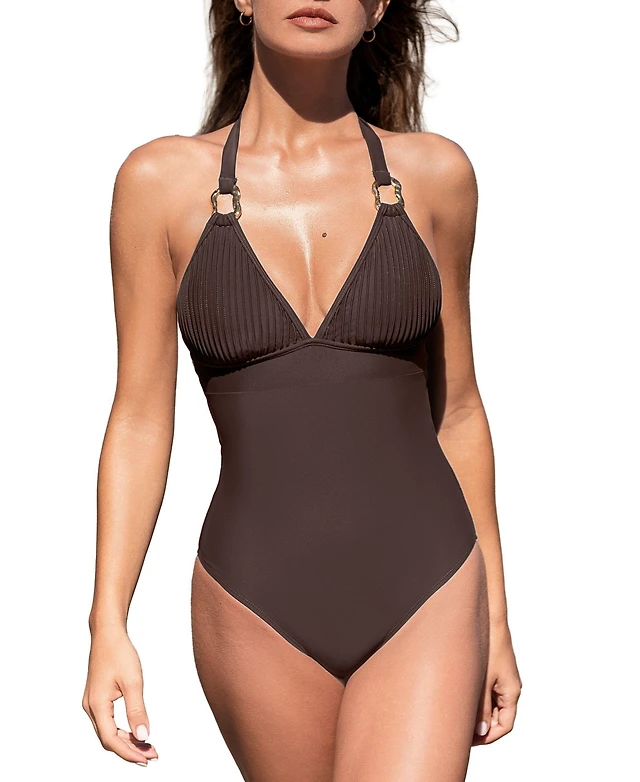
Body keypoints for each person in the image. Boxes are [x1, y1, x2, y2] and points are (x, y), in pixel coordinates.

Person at [82, 1, 522, 778]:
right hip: (254, 600)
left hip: (431, 586)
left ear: (377, 7)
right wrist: (107, 622)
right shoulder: (159, 182)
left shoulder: (435, 175)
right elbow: (141, 418)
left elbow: (458, 412)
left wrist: (498, 620)